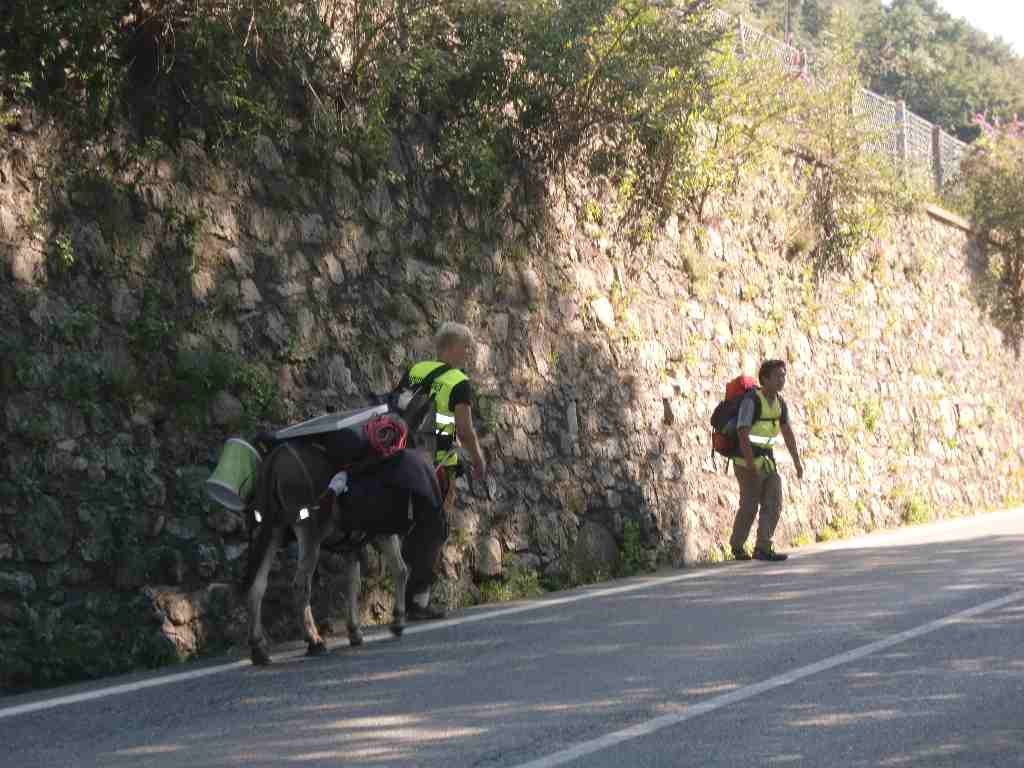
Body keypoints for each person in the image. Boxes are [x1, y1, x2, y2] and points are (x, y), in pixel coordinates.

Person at [396, 322, 487, 620]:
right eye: (465, 347)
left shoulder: (417, 370)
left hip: (403, 457)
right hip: (439, 465)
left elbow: (396, 408)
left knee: (409, 526)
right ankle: (418, 601)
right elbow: (463, 429)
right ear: (451, 346)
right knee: (435, 530)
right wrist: (477, 458)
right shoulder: (458, 381)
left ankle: (404, 594)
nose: (468, 353)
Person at [729, 359, 803, 562]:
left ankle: (763, 546)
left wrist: (797, 461)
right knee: (750, 505)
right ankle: (737, 546)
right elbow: (742, 432)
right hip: (746, 463)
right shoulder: (751, 401)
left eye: (784, 375)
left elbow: (788, 434)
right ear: (764, 379)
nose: (782, 380)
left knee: (774, 502)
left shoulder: (780, 403)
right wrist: (751, 464)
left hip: (767, 463)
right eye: (778, 376)